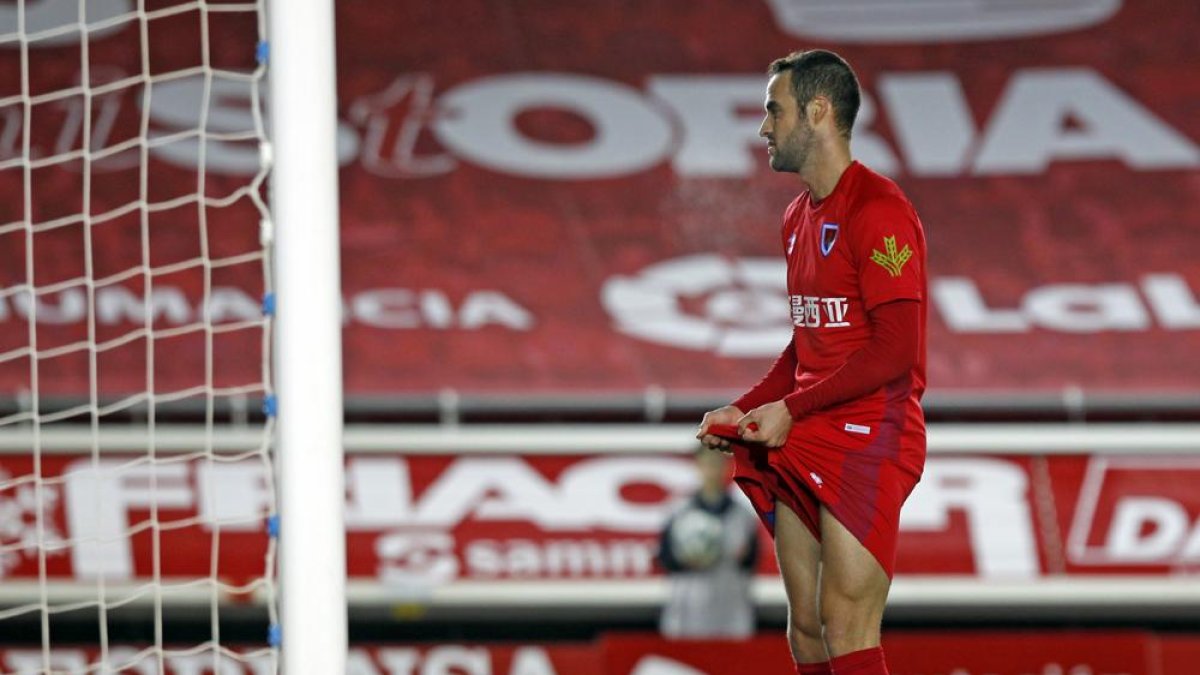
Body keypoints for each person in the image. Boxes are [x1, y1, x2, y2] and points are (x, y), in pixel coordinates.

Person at [696, 49, 927, 675]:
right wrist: (747, 407)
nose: (764, 127)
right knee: (806, 630)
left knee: (847, 626)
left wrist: (788, 409)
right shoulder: (797, 218)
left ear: (818, 112)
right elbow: (807, 345)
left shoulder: (879, 211)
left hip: (870, 433)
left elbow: (895, 349)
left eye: (775, 110)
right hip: (811, 427)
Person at [657, 448, 760, 639]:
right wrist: (687, 559)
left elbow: (751, 562)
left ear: (726, 467)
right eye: (707, 464)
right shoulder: (679, 513)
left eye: (717, 463)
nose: (712, 470)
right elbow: (665, 559)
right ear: (698, 466)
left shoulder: (742, 515)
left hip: (731, 611)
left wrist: (744, 556)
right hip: (687, 613)